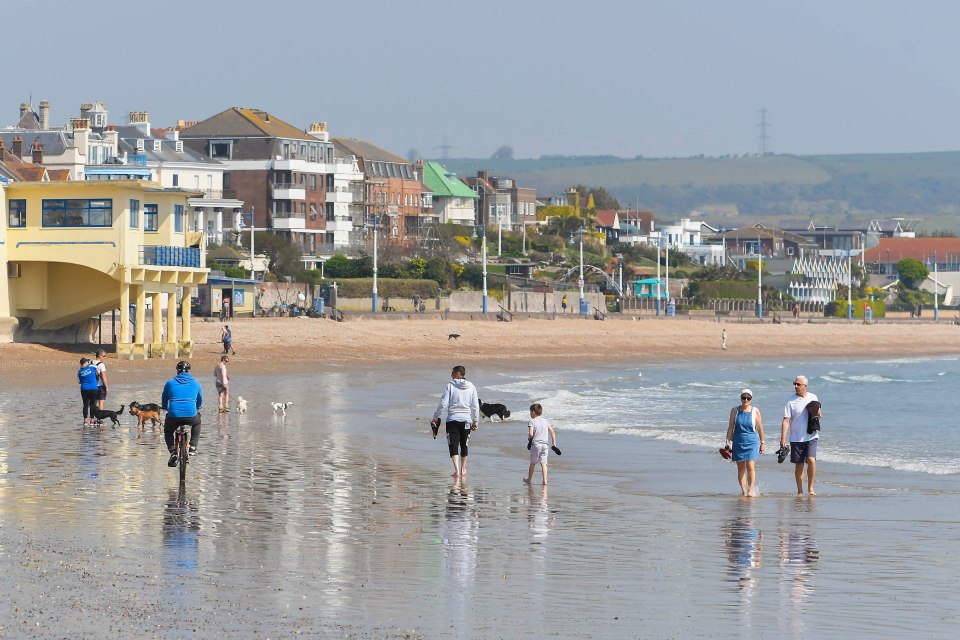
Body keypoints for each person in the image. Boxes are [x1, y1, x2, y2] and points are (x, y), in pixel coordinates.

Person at [430, 365, 480, 478]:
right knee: (464, 444)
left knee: (453, 444)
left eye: (452, 373)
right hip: (466, 420)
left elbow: (443, 403)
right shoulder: (471, 387)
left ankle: (457, 470)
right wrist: (475, 421)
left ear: (458, 373)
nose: (451, 375)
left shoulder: (450, 386)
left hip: (452, 420)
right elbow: (475, 406)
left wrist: (435, 416)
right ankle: (463, 469)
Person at [780, 375, 821, 495]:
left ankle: (811, 487)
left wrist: (815, 412)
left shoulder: (813, 397)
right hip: (796, 437)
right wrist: (783, 438)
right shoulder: (790, 401)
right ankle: (800, 490)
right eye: (795, 384)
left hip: (811, 435)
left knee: (811, 460)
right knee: (799, 465)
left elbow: (820, 415)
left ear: (805, 386)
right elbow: (786, 420)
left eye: (798, 384)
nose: (796, 386)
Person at [162, 360, 203, 467]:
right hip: (191, 415)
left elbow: (164, 399)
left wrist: (166, 408)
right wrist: (197, 408)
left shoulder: (170, 383)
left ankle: (172, 452)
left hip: (173, 415)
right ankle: (193, 447)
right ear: (189, 371)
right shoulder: (195, 383)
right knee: (197, 423)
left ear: (177, 371)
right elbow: (199, 400)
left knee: (168, 432)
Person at [725, 389, 765, 496]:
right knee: (741, 467)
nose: (746, 400)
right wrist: (727, 442)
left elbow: (760, 428)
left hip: (752, 442)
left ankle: (751, 490)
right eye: (744, 398)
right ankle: (744, 491)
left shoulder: (755, 411)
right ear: (741, 398)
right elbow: (730, 427)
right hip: (738, 441)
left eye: (748, 398)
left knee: (751, 466)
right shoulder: (734, 411)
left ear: (751, 399)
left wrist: (762, 442)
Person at [524, 403, 558, 485]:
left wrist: (529, 437)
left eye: (530, 412)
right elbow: (552, 432)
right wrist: (554, 443)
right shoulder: (545, 421)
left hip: (536, 445)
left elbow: (531, 434)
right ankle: (545, 481)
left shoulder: (531, 421)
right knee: (544, 463)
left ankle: (529, 479)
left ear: (533, 412)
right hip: (545, 445)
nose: (530, 414)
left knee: (533, 463)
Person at [77, 357, 99, 427]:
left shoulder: (79, 371)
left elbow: (79, 381)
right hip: (93, 388)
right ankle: (92, 420)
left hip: (84, 389)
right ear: (86, 363)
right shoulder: (91, 366)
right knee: (92, 404)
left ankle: (85, 420)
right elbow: (97, 367)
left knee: (85, 404)